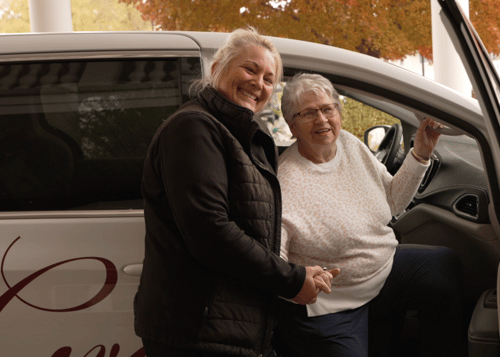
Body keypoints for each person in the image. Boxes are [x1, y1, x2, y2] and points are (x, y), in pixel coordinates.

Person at [135, 28, 337, 357]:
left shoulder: (242, 135)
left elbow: (254, 226)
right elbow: (210, 230)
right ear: (217, 68)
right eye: (250, 69)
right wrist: (290, 279)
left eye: (269, 78)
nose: (259, 83)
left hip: (232, 324)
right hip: (199, 329)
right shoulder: (194, 128)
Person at [273, 73, 464, 357]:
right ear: (292, 125)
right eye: (309, 113)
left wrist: (421, 154)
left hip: (383, 273)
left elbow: (392, 200)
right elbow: (273, 260)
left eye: (328, 109)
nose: (323, 120)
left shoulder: (349, 145)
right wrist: (295, 283)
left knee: (443, 266)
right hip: (331, 305)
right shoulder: (285, 180)